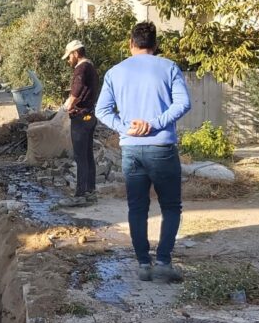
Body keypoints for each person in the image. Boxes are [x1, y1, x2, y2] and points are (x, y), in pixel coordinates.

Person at [95, 22, 191, 283]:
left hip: (131, 150)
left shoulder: (115, 72)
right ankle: (163, 262)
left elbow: (101, 111)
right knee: (171, 206)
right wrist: (156, 123)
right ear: (155, 44)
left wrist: (126, 128)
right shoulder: (169, 67)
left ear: (131, 43)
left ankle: (143, 265)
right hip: (161, 147)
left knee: (137, 208)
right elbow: (184, 103)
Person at [59, 40, 100, 207]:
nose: (69, 61)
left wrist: (67, 105)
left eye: (69, 57)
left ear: (75, 53)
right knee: (88, 155)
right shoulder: (91, 67)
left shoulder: (81, 68)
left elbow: (76, 88)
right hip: (90, 116)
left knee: (80, 157)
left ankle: (80, 194)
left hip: (81, 118)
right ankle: (91, 192)